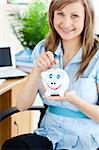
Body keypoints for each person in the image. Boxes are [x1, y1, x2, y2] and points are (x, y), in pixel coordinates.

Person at [2, 0, 99, 149]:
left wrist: (75, 101)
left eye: (75, 16)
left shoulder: (96, 55)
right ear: (52, 16)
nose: (66, 23)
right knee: (14, 146)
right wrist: (37, 70)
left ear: (87, 18)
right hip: (50, 134)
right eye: (60, 14)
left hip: (86, 139)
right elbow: (22, 105)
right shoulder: (42, 49)